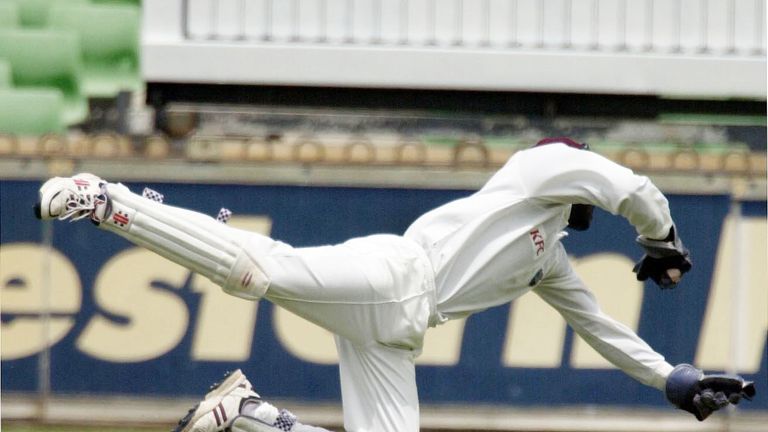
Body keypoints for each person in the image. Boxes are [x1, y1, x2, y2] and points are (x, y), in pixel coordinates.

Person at [35, 137, 755, 432]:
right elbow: (629, 187)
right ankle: (109, 201)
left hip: (396, 331)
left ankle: (250, 413)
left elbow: (602, 327)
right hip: (397, 280)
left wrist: (675, 380)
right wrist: (661, 240)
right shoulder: (537, 173)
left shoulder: (550, 257)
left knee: (261, 268)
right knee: (259, 269)